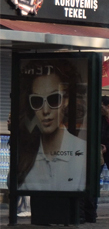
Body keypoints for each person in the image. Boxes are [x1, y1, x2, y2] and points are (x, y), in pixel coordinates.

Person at [17, 63, 87, 192]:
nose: (45, 110)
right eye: (37, 101)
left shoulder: (83, 151)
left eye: (54, 99)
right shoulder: (25, 156)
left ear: (66, 100)